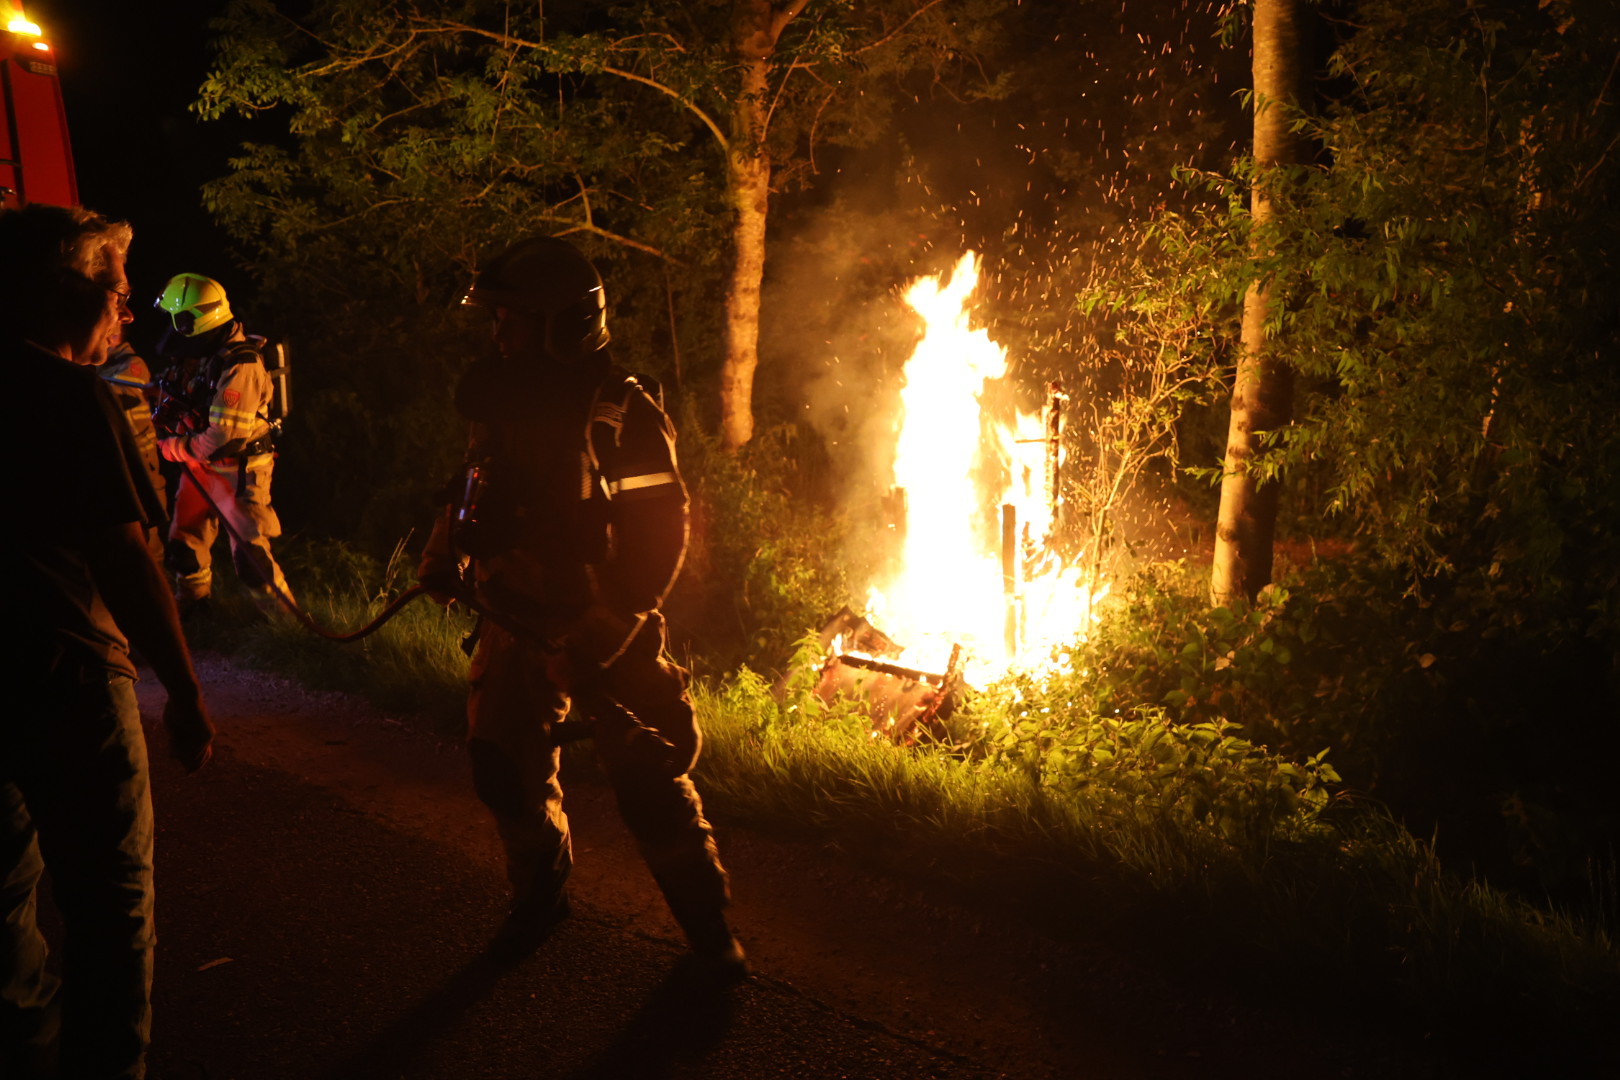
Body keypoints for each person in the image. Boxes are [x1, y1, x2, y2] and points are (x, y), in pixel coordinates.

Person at [417, 235, 745, 976]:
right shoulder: (499, 402)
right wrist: (444, 556)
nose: (498, 335)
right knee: (501, 768)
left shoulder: (620, 410)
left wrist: (598, 635)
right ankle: (541, 894)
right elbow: (470, 481)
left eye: (510, 320)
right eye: (495, 320)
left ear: (562, 323)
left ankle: (708, 931)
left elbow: (661, 536)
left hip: (600, 623)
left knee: (651, 780)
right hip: (510, 617)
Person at [0, 203, 214, 1079]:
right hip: (71, 684)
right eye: (116, 294)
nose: (125, 313)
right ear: (66, 295)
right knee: (112, 913)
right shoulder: (67, 394)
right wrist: (186, 693)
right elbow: (125, 558)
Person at [150, 272, 292, 615]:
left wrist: (172, 448)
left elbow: (221, 440)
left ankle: (288, 626)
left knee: (251, 561)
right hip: (202, 467)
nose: (173, 328)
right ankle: (195, 611)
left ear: (196, 319)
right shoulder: (201, 353)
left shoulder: (240, 365)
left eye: (178, 319)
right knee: (183, 548)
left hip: (240, 471)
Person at [100, 332, 168, 560]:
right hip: (122, 469)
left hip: (142, 470)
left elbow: (113, 398)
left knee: (148, 546)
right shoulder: (100, 366)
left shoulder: (132, 364)